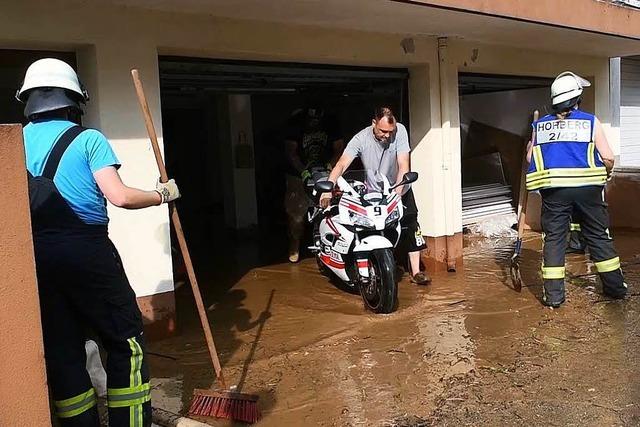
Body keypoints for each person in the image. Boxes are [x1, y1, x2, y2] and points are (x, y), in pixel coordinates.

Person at [18, 58, 180, 426]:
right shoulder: (89, 139)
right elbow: (119, 196)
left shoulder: (15, 141)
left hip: (36, 257)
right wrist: (161, 195)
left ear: (27, 100)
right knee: (126, 342)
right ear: (75, 99)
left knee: (62, 349)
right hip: (87, 252)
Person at [526, 71, 626, 307]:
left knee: (554, 240)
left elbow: (530, 156)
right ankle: (614, 289)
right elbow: (608, 157)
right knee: (598, 237)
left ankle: (554, 297)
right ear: (577, 98)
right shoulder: (590, 121)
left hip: (554, 192)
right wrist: (606, 171)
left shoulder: (540, 126)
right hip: (588, 192)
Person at [321, 107, 430, 285]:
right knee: (366, 226)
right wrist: (328, 188)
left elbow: (403, 164)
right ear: (374, 123)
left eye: (390, 131)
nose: (387, 135)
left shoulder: (400, 131)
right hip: (373, 191)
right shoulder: (360, 139)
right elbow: (341, 164)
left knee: (410, 223)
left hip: (398, 188)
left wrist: (397, 193)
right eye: (382, 131)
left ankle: (416, 272)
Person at [284, 107, 343, 262]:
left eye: (317, 119)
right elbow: (291, 152)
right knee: (297, 211)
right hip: (299, 172)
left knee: (330, 206)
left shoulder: (331, 122)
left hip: (326, 171)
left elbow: (339, 148)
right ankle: (294, 244)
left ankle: (329, 244)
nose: (314, 122)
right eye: (311, 119)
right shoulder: (295, 124)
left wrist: (331, 167)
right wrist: (303, 171)